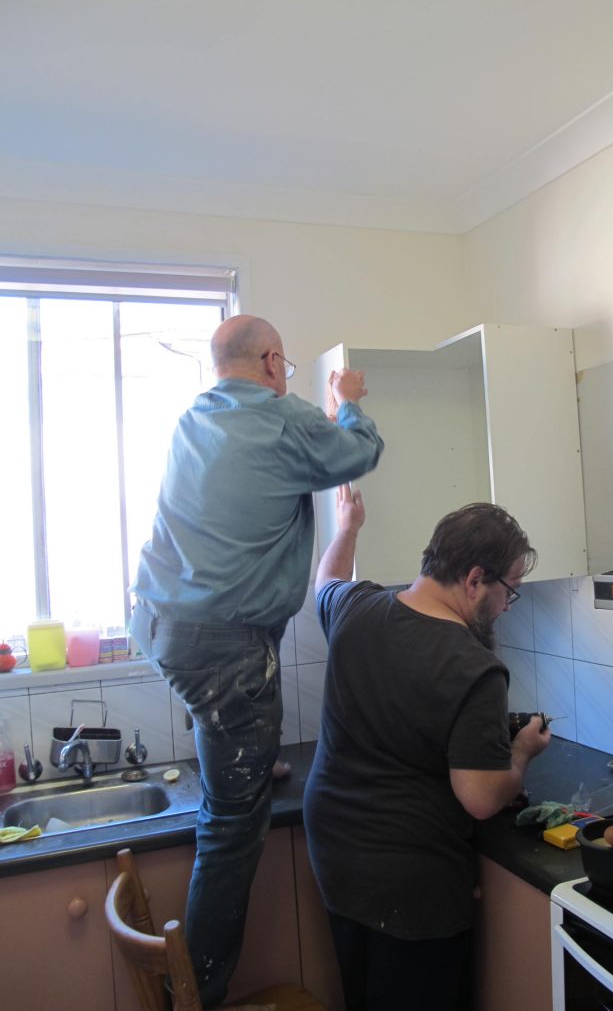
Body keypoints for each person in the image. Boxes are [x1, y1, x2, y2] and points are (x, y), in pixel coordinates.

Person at [129, 314, 384, 1008]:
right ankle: (198, 995)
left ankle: (245, 745)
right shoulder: (280, 418)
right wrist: (349, 397)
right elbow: (361, 451)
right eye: (287, 365)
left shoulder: (194, 421)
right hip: (223, 646)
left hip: (157, 624)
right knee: (230, 828)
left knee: (232, 721)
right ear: (273, 361)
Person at [304, 486, 551, 1011]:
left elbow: (326, 580)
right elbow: (481, 797)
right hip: (411, 883)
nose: (508, 604)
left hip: (335, 853)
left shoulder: (355, 609)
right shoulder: (474, 668)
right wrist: (523, 752)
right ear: (475, 579)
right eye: (510, 588)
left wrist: (348, 527)